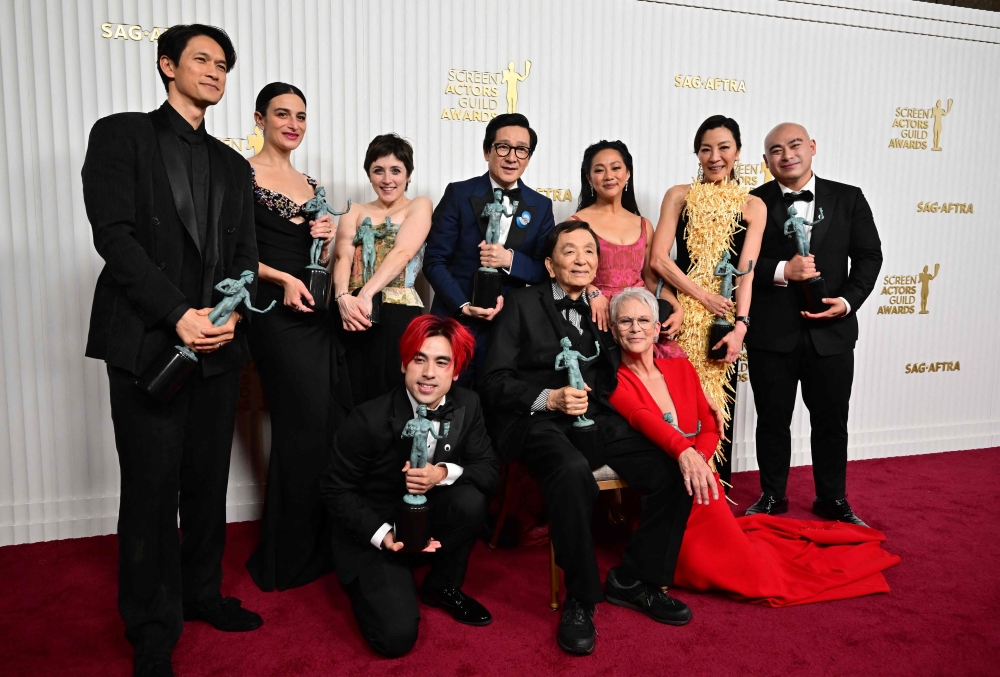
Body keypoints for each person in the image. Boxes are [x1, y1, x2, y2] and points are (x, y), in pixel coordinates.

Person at [81, 24, 262, 677]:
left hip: (216, 347)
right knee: (152, 490)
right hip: (148, 341)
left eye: (223, 65)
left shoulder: (233, 164)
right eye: (202, 60)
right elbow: (115, 237)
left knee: (206, 482)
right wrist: (177, 314)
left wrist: (226, 315)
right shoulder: (121, 134)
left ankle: (202, 593)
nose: (215, 71)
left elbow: (245, 256)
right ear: (167, 65)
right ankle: (152, 627)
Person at [607, 287, 899, 605]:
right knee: (731, 571)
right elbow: (644, 420)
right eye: (625, 321)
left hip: (702, 483)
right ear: (613, 328)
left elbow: (709, 424)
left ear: (656, 326)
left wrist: (700, 460)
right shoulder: (616, 380)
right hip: (665, 488)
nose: (635, 328)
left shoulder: (680, 368)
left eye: (643, 320)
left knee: (747, 565)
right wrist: (686, 456)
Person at [481, 221, 694, 657]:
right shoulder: (522, 304)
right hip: (537, 419)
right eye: (570, 252)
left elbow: (614, 374)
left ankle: (635, 580)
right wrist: (550, 398)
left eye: (589, 253)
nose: (581, 260)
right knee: (573, 471)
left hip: (594, 417)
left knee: (670, 469)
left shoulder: (604, 309)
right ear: (549, 263)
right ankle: (581, 597)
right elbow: (493, 380)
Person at [321, 315, 499, 657]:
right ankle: (387, 579)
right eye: (420, 359)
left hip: (428, 515)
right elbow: (334, 490)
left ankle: (440, 585)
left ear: (456, 371)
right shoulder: (367, 418)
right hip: (377, 527)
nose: (429, 372)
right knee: (396, 639)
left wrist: (442, 473)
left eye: (441, 362)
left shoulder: (468, 405)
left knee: (471, 499)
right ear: (404, 363)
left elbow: (489, 471)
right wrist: (382, 535)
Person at [744, 123, 883, 524]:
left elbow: (869, 256)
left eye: (794, 145)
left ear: (812, 147)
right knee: (772, 420)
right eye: (775, 149)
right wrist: (783, 269)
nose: (786, 154)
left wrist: (847, 302)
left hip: (832, 334)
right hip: (772, 333)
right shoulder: (752, 201)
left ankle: (832, 499)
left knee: (831, 421)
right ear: (766, 159)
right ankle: (772, 496)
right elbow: (739, 262)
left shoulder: (848, 198)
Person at [243, 82, 352, 592]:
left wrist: (326, 245)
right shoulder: (239, 174)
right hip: (272, 311)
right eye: (282, 114)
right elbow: (233, 253)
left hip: (317, 311)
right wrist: (283, 279)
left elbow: (319, 263)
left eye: (301, 116)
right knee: (299, 426)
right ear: (260, 118)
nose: (293, 123)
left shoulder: (311, 183)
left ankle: (320, 544)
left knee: (327, 423)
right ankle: (285, 556)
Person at [649, 115, 766, 486]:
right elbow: (658, 260)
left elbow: (745, 275)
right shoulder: (679, 195)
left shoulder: (754, 206)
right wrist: (699, 296)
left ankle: (712, 493)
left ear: (738, 152)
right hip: (679, 317)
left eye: (723, 148)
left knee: (715, 409)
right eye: (705, 149)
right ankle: (671, 492)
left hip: (722, 322)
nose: (715, 157)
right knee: (673, 403)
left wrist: (740, 329)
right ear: (697, 154)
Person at [423, 113, 555, 385]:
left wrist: (510, 260)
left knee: (499, 406)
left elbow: (546, 269)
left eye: (522, 150)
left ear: (529, 157)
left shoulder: (541, 206)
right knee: (449, 404)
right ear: (487, 151)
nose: (512, 157)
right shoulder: (458, 194)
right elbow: (434, 261)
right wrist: (463, 305)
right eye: (503, 147)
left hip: (510, 329)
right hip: (455, 322)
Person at [333, 134, 432, 403]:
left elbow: (403, 252)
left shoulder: (419, 205)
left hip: (398, 311)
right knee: (350, 391)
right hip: (351, 313)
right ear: (369, 174)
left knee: (394, 392)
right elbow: (342, 255)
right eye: (378, 170)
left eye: (396, 171)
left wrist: (366, 293)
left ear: (409, 174)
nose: (387, 180)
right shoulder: (353, 209)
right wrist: (342, 297)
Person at [568, 139, 683, 351]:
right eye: (599, 170)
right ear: (589, 178)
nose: (609, 176)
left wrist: (677, 308)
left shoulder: (644, 224)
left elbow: (651, 280)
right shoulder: (576, 224)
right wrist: (592, 291)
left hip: (640, 320)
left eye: (616, 168)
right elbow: (566, 277)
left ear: (627, 173)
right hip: (598, 317)